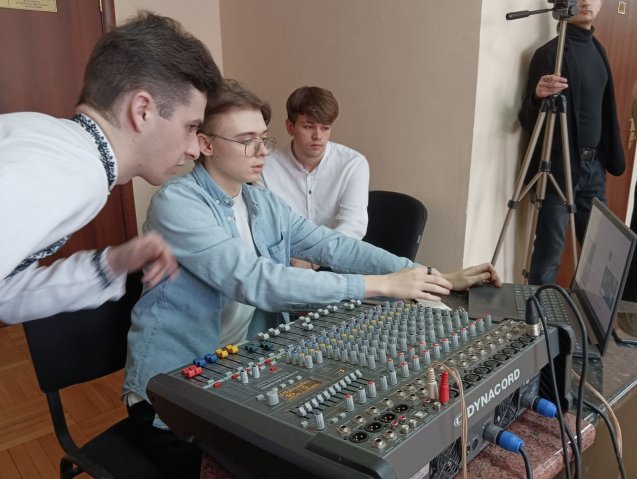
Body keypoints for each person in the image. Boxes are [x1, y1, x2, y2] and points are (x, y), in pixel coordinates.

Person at [122, 79, 501, 478]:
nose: (262, 151)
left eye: (263, 139)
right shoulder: (177, 202)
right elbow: (255, 280)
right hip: (171, 393)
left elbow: (332, 245)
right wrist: (381, 285)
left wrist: (429, 275)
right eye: (247, 141)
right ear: (206, 144)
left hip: (239, 371)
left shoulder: (260, 201)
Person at [0, 12, 222, 324]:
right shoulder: (71, 172)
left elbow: (5, 295)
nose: (194, 149)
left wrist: (113, 264)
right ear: (142, 110)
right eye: (190, 127)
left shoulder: (44, 135)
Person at [519, 0, 625, 285]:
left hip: (594, 170)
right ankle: (538, 312)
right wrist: (538, 97)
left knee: (600, 254)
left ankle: (590, 314)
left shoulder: (598, 51)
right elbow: (527, 120)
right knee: (549, 255)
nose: (586, 1)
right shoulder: (549, 54)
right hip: (559, 168)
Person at [256, 86, 369, 269]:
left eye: (325, 128)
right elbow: (266, 228)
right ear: (290, 127)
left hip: (337, 263)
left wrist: (313, 262)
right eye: (308, 127)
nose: (318, 136)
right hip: (286, 266)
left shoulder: (353, 164)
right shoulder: (265, 167)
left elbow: (352, 225)